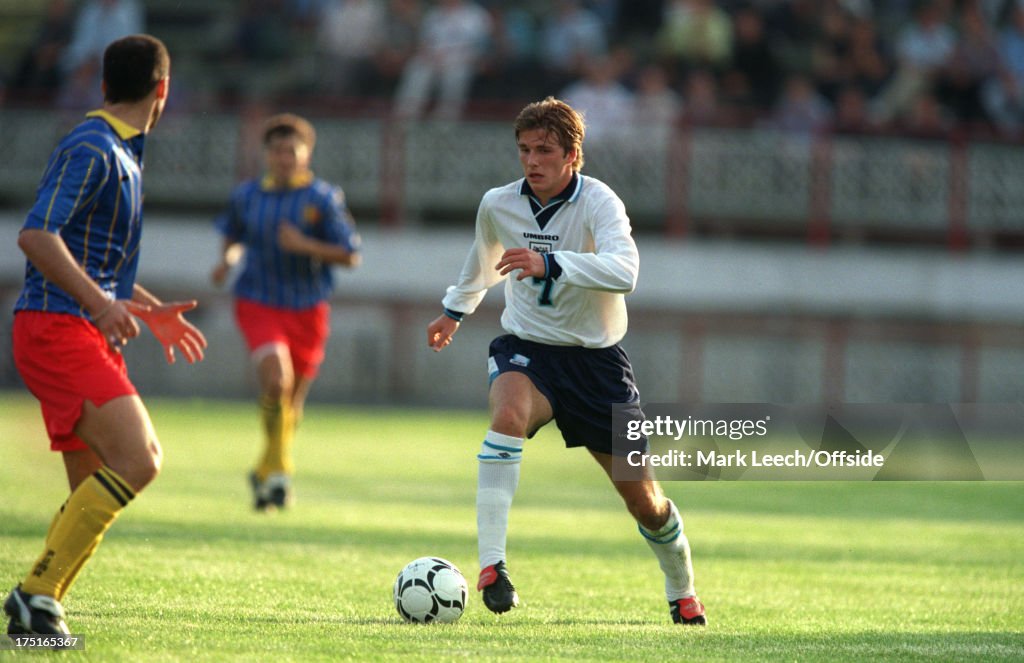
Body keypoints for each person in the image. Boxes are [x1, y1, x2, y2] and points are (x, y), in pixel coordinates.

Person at [425, 97, 706, 625]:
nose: (532, 161)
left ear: (572, 154)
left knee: (645, 501)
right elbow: (481, 266)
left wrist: (548, 262)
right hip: (528, 349)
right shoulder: (499, 203)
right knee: (506, 416)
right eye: (525, 150)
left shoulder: (600, 201)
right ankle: (492, 566)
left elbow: (625, 272)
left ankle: (681, 585)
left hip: (597, 365)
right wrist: (453, 313)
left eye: (545, 151)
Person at [4, 34, 207, 636]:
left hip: (72, 327)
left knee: (87, 492)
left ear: (105, 85)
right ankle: (33, 594)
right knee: (139, 459)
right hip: (55, 327)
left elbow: (95, 264)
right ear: (163, 89)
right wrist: (101, 305)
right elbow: (37, 235)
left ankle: (39, 610)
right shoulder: (93, 146)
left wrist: (144, 309)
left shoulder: (120, 149)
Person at [210, 113, 361, 512]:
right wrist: (226, 259)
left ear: (307, 154)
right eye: (276, 151)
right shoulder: (247, 195)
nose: (283, 158)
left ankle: (264, 470)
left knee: (291, 402)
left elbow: (350, 254)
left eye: (291, 151)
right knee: (277, 381)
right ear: (265, 155)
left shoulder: (322, 198)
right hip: (258, 300)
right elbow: (233, 234)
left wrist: (305, 245)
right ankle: (280, 472)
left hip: (308, 307)